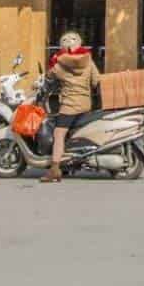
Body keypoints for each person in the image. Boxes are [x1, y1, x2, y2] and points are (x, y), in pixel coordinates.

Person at [42, 32, 100, 184]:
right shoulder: (89, 61)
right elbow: (96, 81)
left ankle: (54, 169)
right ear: (79, 44)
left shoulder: (58, 64)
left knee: (59, 133)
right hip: (86, 103)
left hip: (69, 105)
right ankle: (69, 162)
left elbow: (48, 78)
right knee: (75, 131)